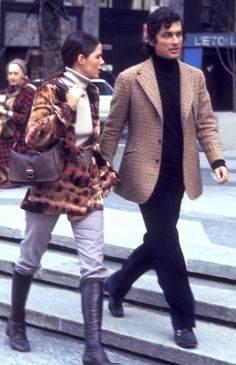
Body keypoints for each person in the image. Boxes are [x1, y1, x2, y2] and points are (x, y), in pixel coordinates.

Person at [100, 7, 229, 349]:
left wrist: (216, 157)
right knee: (169, 245)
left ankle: (117, 283)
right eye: (167, 35)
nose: (175, 41)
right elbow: (112, 128)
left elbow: (205, 122)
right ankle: (184, 318)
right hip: (145, 175)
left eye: (178, 34)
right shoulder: (130, 78)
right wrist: (102, 167)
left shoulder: (194, 77)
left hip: (179, 175)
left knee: (159, 240)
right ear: (152, 39)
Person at [6, 31, 121, 365]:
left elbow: (85, 142)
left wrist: (104, 167)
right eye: (98, 56)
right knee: (30, 256)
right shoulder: (51, 89)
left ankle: (93, 349)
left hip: (84, 188)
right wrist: (65, 108)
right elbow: (34, 137)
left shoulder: (94, 91)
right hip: (50, 188)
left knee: (93, 266)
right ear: (80, 58)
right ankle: (16, 323)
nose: (103, 61)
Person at [0, 58, 36, 188]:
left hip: (21, 133)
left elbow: (27, 118)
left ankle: (12, 178)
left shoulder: (29, 90)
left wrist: (6, 113)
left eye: (16, 73)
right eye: (10, 74)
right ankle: (6, 177)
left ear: (23, 74)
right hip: (8, 130)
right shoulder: (9, 91)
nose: (12, 77)